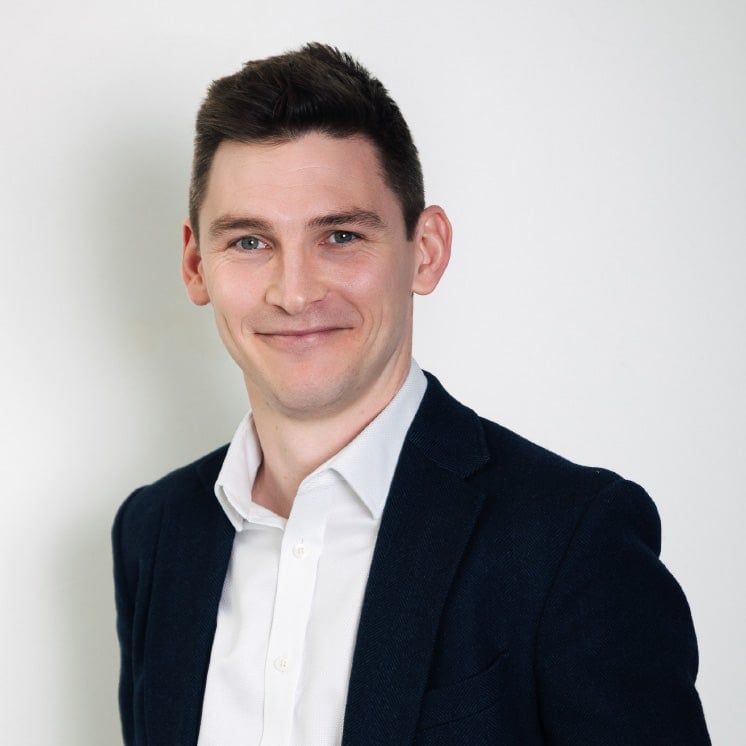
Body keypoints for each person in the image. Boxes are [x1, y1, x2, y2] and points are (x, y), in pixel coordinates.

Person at [112, 43, 710, 745]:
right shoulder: (154, 533)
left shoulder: (571, 540)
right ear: (195, 264)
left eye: (340, 235)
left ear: (424, 250)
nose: (294, 292)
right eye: (249, 242)